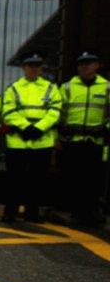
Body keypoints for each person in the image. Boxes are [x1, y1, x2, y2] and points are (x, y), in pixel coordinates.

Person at [2, 51, 62, 223]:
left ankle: (32, 213)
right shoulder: (14, 88)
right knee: (14, 180)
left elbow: (55, 111)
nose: (33, 69)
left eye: (37, 66)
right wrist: (26, 126)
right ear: (23, 68)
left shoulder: (51, 88)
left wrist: (39, 128)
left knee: (37, 181)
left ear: (41, 68)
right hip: (18, 142)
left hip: (41, 141)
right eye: (30, 66)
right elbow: (8, 111)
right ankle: (10, 212)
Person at [58, 51, 107, 227]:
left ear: (97, 65)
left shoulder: (106, 87)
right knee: (74, 178)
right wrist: (60, 135)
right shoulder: (67, 87)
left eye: (88, 63)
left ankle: (92, 212)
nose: (84, 66)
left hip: (96, 141)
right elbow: (59, 113)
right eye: (81, 64)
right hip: (73, 140)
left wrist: (106, 130)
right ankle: (76, 213)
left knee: (94, 179)